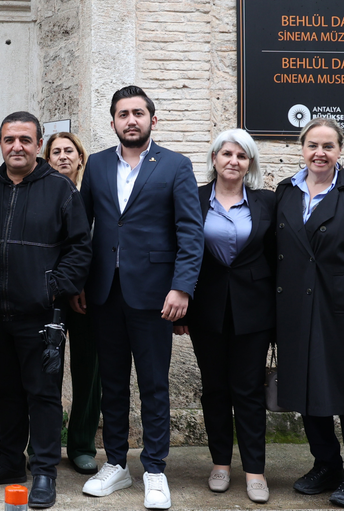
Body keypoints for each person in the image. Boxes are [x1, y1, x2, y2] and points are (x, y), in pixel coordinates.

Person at [77, 85, 203, 510]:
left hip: (155, 295)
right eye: (123, 114)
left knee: (153, 384)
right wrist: (78, 282)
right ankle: (115, 463)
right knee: (111, 384)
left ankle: (154, 470)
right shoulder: (96, 165)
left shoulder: (175, 165)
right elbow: (82, 229)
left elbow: (190, 232)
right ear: (113, 122)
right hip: (104, 293)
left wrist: (182, 287)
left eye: (138, 113)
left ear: (152, 119)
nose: (131, 120)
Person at [0, 113, 91, 509]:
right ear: (0, 144)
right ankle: (9, 462)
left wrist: (52, 288)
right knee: (7, 392)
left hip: (41, 315)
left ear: (38, 145)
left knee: (43, 393)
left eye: (25, 139)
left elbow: (79, 248)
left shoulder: (60, 189)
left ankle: (46, 470)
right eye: (9, 139)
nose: (16, 146)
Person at [274, 118, 344, 509]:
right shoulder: (286, 191)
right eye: (312, 145)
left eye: (328, 146)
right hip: (295, 307)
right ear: (301, 148)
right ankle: (326, 464)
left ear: (340, 150)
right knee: (306, 389)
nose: (319, 153)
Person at [173, 129, 275, 503]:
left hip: (255, 311)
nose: (233, 161)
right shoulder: (194, 198)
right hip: (206, 309)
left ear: (250, 164)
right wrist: (179, 309)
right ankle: (220, 464)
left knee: (248, 390)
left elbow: (276, 257)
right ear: (214, 158)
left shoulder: (267, 202)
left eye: (241, 156)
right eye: (227, 154)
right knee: (215, 388)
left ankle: (255, 471)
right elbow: (180, 248)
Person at [43, 131, 102, 476]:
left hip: (88, 295)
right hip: (49, 294)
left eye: (69, 151)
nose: (63, 156)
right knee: (46, 370)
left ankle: (81, 445)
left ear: (80, 158)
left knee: (88, 371)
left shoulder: (94, 194)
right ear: (47, 159)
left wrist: (82, 284)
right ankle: (43, 445)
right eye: (56, 152)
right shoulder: (40, 192)